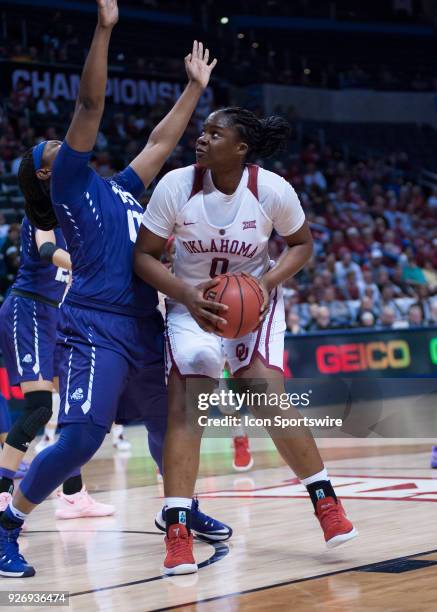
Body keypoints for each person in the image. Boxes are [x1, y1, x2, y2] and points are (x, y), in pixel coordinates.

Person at [0, 0, 229, 578]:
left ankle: (182, 507)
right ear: (47, 173)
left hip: (141, 324)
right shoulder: (71, 185)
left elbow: (158, 144)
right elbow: (90, 103)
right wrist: (103, 30)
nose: (58, 141)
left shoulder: (119, 188)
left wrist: (193, 91)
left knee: (168, 426)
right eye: (48, 147)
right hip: (95, 325)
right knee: (79, 439)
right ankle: (7, 525)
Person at [135, 106, 358, 575]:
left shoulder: (272, 190)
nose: (202, 138)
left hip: (251, 303)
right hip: (190, 302)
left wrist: (265, 283)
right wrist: (186, 295)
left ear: (240, 148)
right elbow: (145, 256)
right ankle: (177, 529)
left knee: (265, 396)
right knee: (188, 401)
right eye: (203, 131)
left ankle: (326, 502)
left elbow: (301, 244)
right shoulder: (176, 186)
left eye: (215, 133)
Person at [0, 216, 114, 521]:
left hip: (56, 314)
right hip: (29, 309)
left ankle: (74, 495)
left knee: (71, 408)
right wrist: (88, 263)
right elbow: (48, 248)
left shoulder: (80, 219)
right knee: (39, 408)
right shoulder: (42, 211)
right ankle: (2, 492)